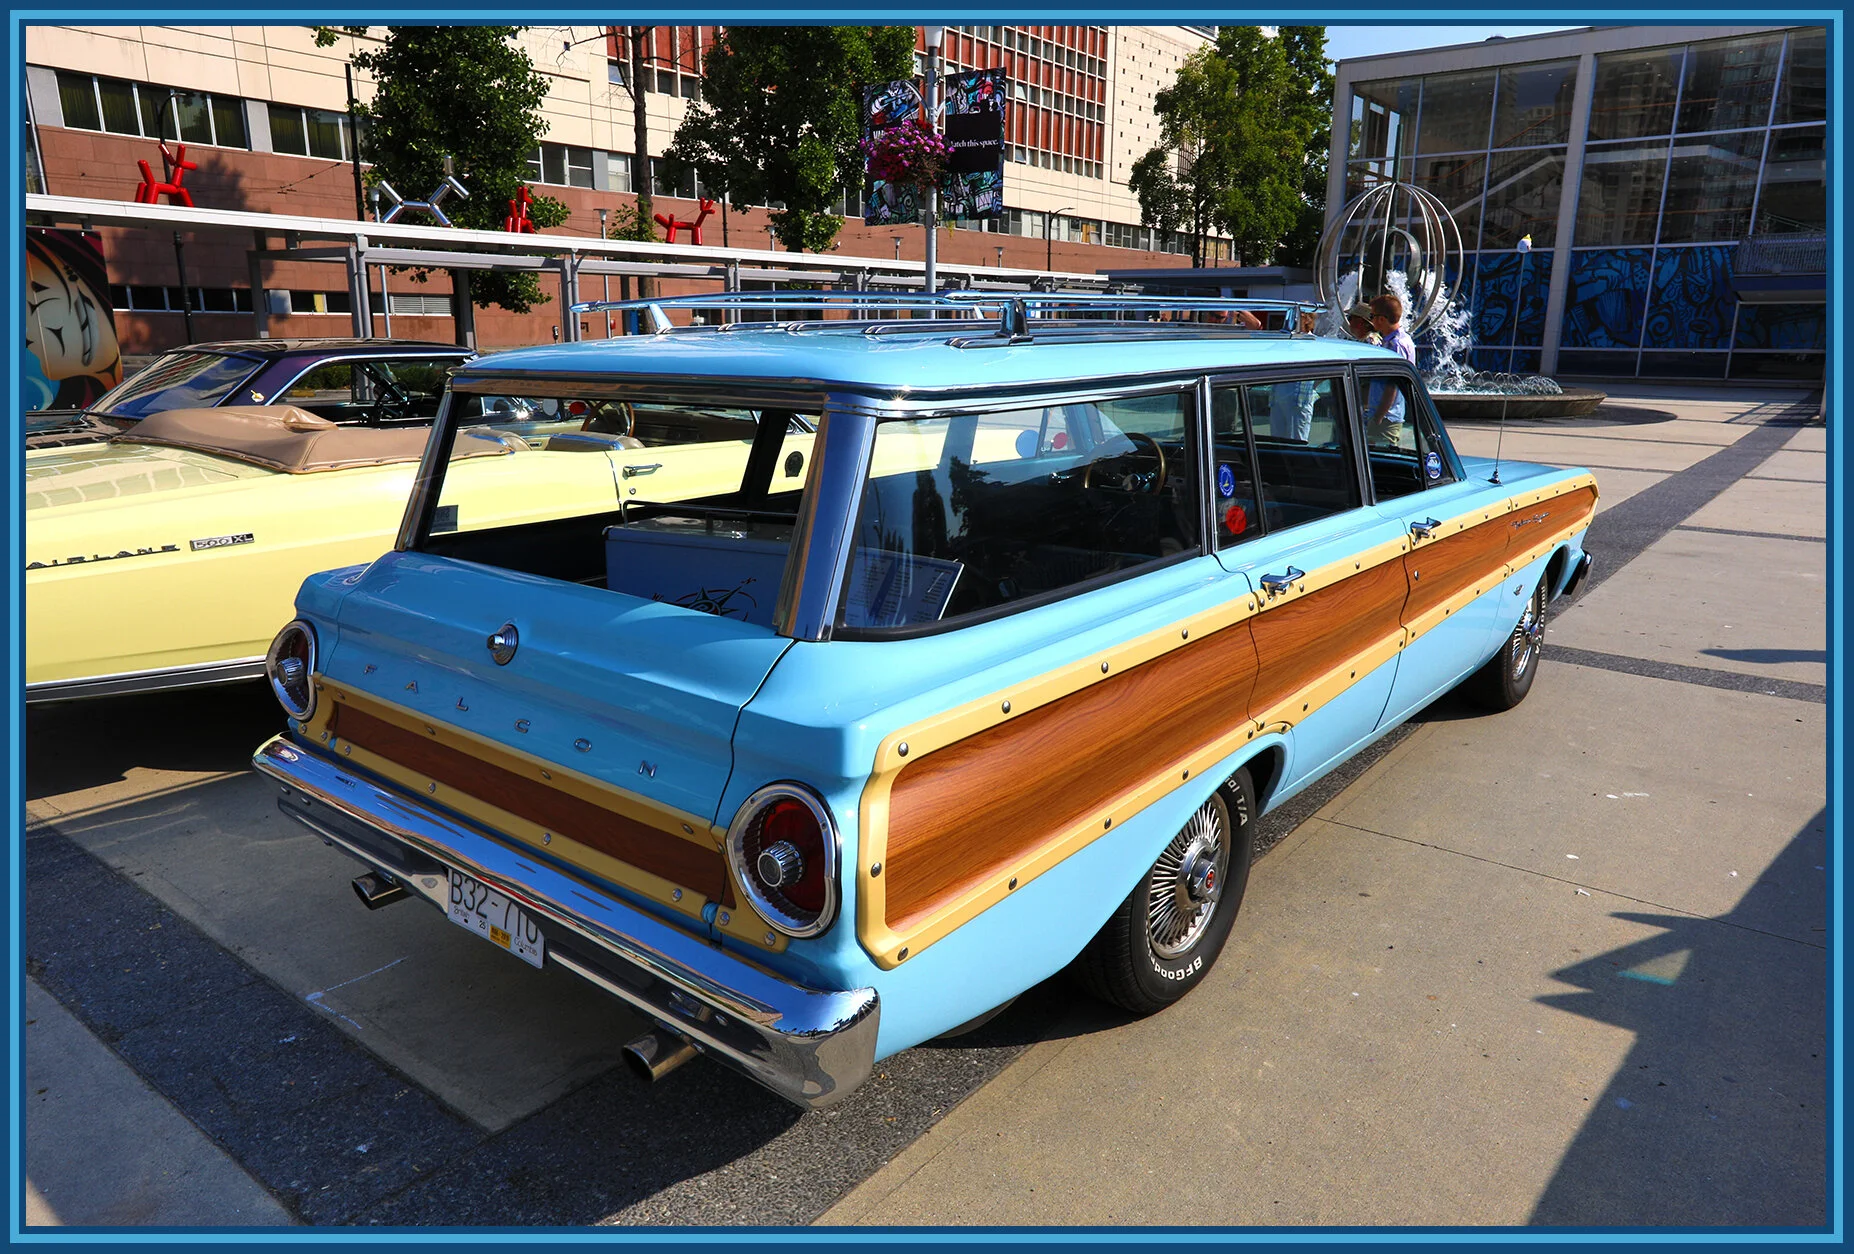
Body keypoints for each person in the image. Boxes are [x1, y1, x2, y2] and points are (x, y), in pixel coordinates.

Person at [1364, 293, 1417, 447]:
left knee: (1381, 459)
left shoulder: (1396, 344)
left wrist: (1379, 416)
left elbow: (1392, 384)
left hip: (1387, 417)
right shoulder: (1391, 341)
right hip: (1383, 414)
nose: (1371, 320)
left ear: (1382, 319)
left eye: (1372, 316)